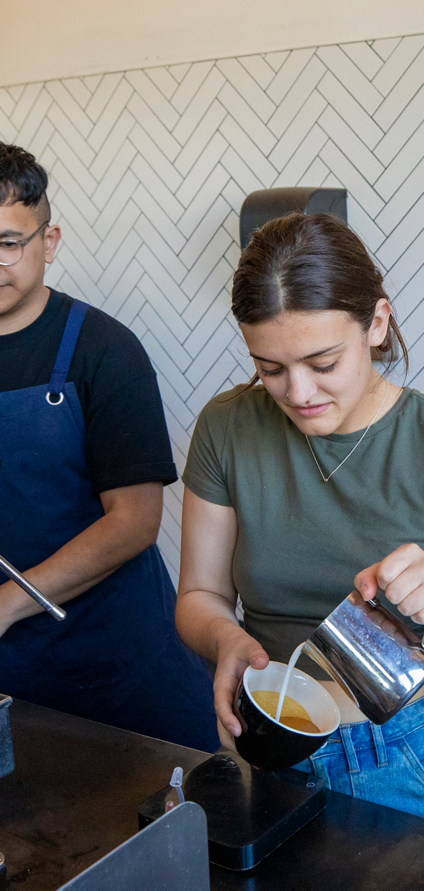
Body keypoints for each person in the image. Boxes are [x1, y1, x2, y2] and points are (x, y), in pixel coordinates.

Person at [176, 212, 424, 834]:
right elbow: (200, 595)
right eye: (270, 368)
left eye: (323, 362)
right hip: (268, 743)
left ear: (376, 324)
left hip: (405, 753)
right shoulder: (227, 428)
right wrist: (227, 643)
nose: (297, 393)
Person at [0, 143, 219, 751]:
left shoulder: (103, 350)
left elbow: (136, 523)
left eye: (8, 242)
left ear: (49, 240)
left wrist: (11, 603)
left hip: (115, 656)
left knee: (166, 820)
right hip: (8, 666)